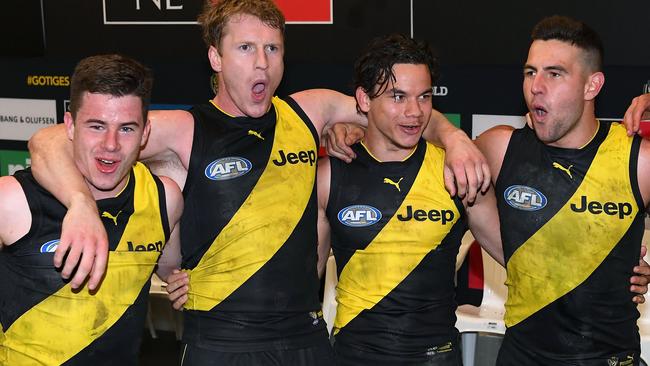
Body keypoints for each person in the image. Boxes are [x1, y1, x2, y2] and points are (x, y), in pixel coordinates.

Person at [27, 1, 492, 364]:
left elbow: (401, 113)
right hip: (222, 342)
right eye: (245, 48)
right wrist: (80, 205)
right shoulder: (185, 131)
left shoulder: (311, 111)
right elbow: (49, 141)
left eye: (272, 49)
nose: (262, 64)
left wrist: (454, 139)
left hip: (304, 338)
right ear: (215, 55)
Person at [316, 34, 504, 366]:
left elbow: (520, 256)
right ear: (363, 99)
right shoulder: (330, 176)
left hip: (437, 357)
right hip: (354, 357)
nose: (414, 112)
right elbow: (301, 283)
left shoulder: (457, 171)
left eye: (424, 96)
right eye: (398, 96)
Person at [473, 16, 650, 365]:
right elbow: (409, 138)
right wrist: (350, 127)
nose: (536, 86)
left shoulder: (638, 159)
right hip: (521, 357)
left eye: (554, 74)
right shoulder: (499, 149)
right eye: (529, 72)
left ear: (591, 86)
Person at [0, 54, 183, 365]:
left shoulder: (164, 197)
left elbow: (169, 271)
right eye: (96, 126)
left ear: (146, 133)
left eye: (126, 129)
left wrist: (183, 282)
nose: (110, 144)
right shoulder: (12, 199)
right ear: (69, 126)